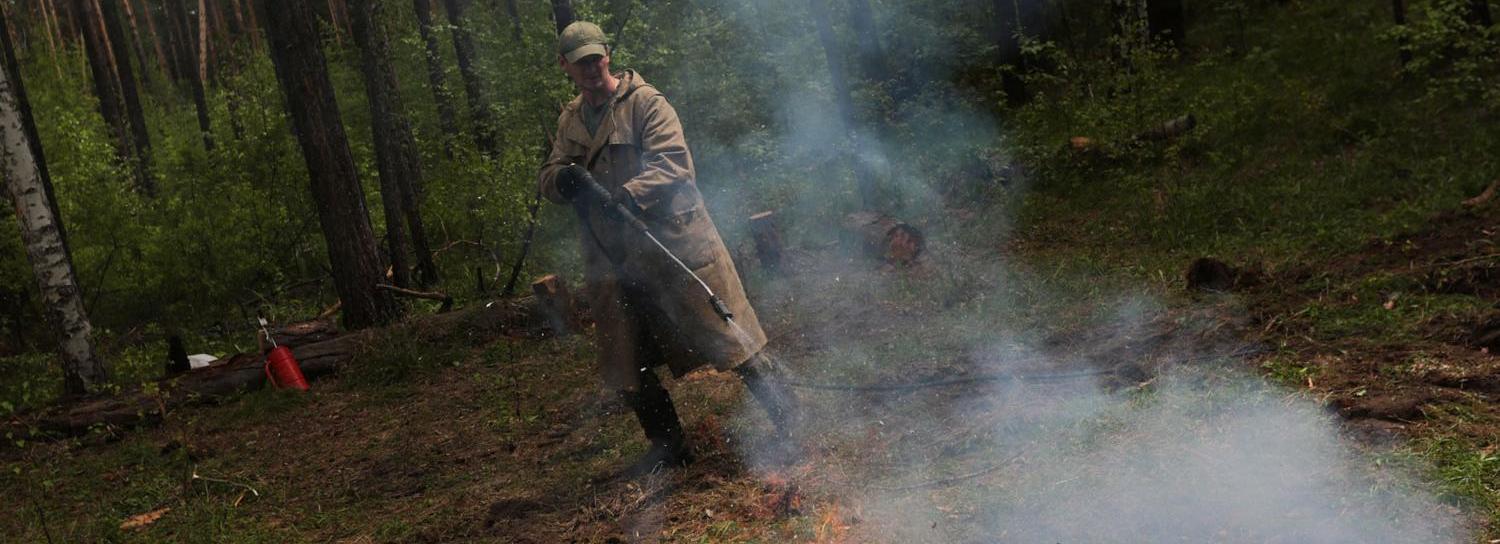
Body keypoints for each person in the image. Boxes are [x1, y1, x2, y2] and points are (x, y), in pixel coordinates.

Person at [538, 21, 798, 475]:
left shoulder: (644, 104)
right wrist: (563, 179)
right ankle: (668, 446)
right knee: (626, 359)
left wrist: (629, 194)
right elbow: (550, 175)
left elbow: (674, 164)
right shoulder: (570, 120)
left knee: (733, 340)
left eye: (596, 57)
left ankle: (792, 421)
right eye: (580, 62)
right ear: (565, 66)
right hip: (612, 259)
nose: (592, 67)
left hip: (673, 244)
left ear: (608, 56)